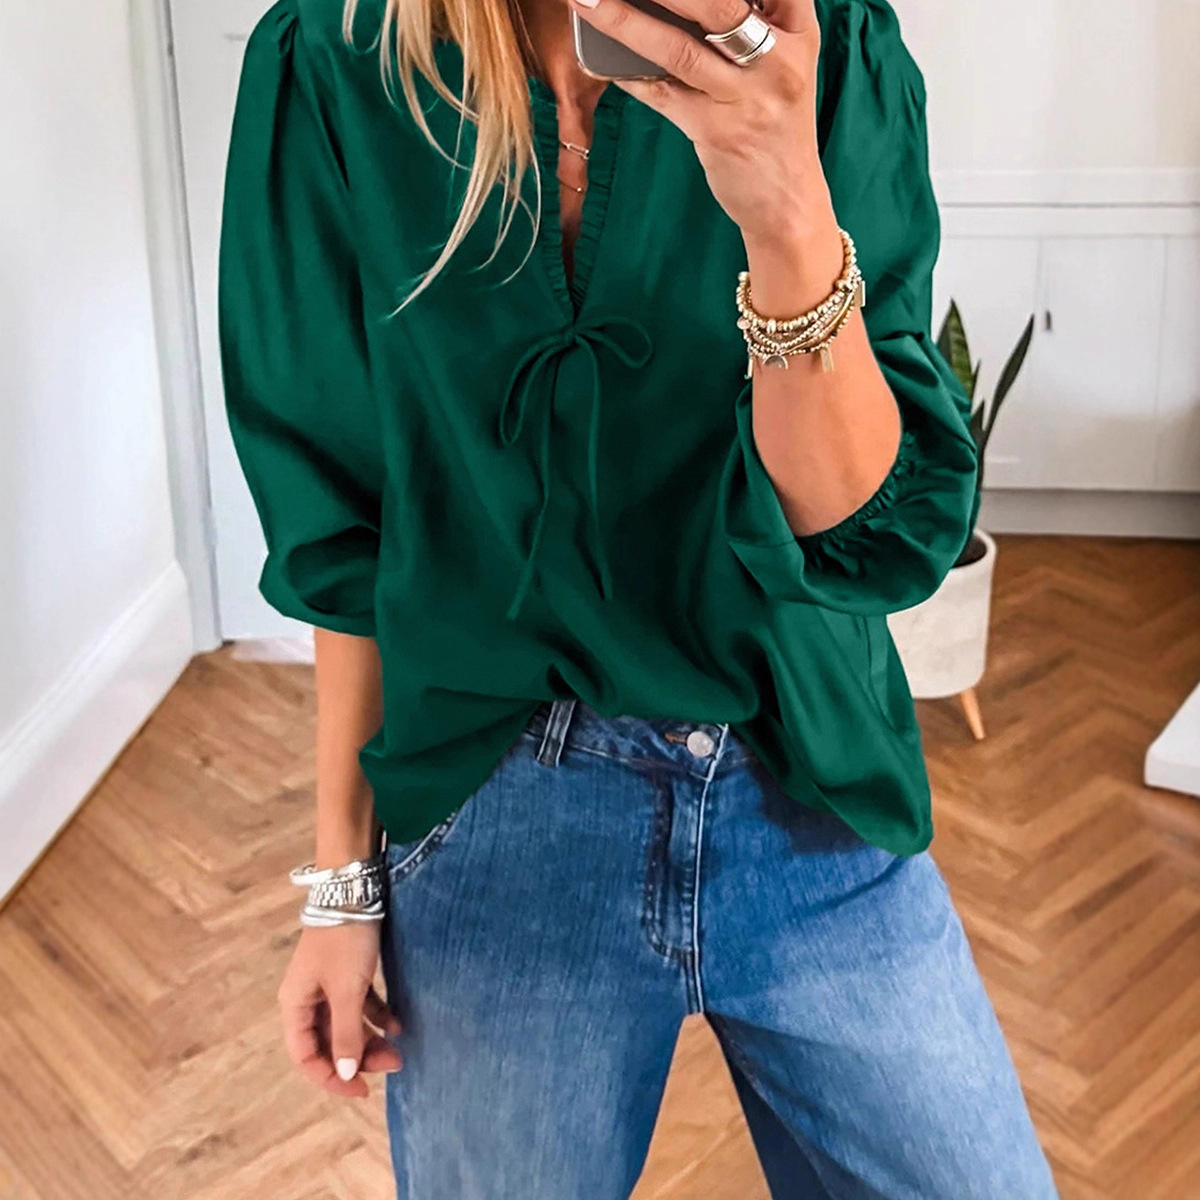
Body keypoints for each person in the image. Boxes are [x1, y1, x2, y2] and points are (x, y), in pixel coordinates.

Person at [217, 0, 1061, 1195]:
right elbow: (348, 535)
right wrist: (341, 890)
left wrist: (785, 213)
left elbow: (863, 535)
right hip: (497, 805)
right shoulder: (336, 57)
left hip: (807, 777)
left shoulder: (828, 46)